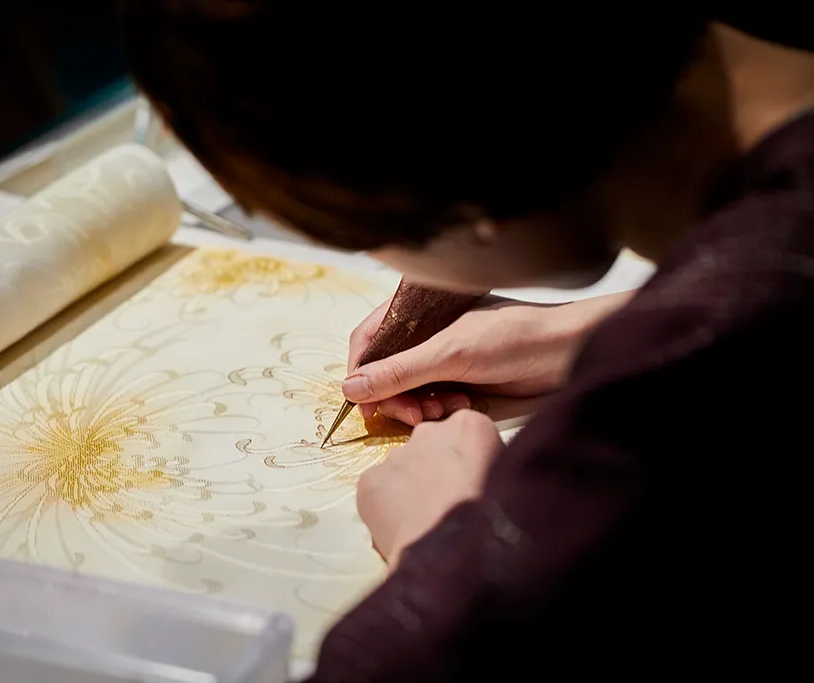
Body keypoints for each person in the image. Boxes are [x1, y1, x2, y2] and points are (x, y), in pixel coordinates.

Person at [121, 3, 813, 677]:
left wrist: (443, 540)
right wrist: (584, 330)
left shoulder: (680, 379)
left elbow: (407, 658)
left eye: (363, 235)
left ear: (454, 181)